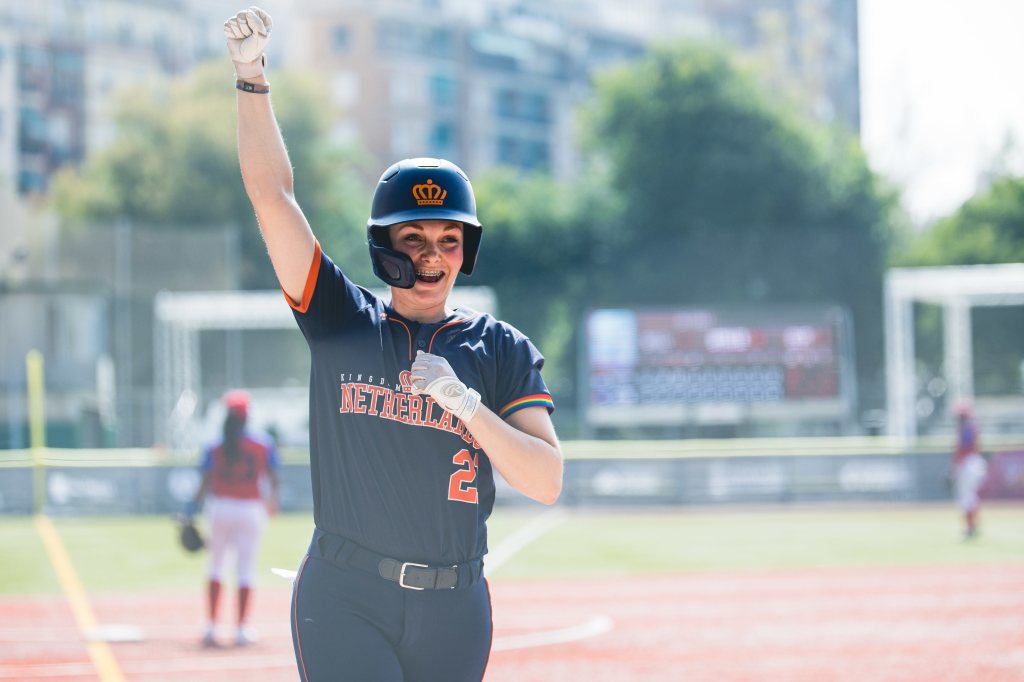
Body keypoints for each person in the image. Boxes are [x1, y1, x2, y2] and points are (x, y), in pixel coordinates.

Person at [223, 7, 563, 680]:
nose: (432, 255)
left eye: (447, 239)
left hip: (456, 604)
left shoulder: (501, 349)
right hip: (347, 595)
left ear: (465, 250)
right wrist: (251, 78)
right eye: (414, 238)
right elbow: (273, 198)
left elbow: (546, 480)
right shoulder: (342, 322)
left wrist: (466, 406)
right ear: (385, 248)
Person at [187, 389, 280, 646]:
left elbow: (204, 482)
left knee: (215, 566)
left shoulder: (214, 444)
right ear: (247, 415)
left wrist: (189, 511)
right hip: (250, 508)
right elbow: (273, 477)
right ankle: (241, 629)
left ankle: (211, 626)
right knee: (245, 569)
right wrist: (273, 501)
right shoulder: (262, 443)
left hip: (220, 507)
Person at [951, 401, 987, 539]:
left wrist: (954, 468)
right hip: (975, 463)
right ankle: (972, 526)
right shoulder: (972, 427)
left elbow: (962, 450)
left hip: (968, 464)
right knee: (972, 497)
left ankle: (971, 527)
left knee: (967, 497)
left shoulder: (965, 428)